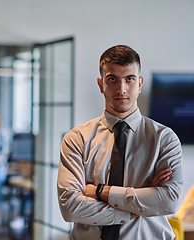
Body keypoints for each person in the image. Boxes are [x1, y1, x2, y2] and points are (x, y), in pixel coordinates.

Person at [57, 45, 183, 240]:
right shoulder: (77, 139)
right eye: (112, 79)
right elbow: (70, 208)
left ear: (140, 84)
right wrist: (138, 206)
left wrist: (100, 192)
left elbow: (169, 202)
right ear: (101, 84)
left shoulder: (164, 139)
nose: (121, 89)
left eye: (129, 79)